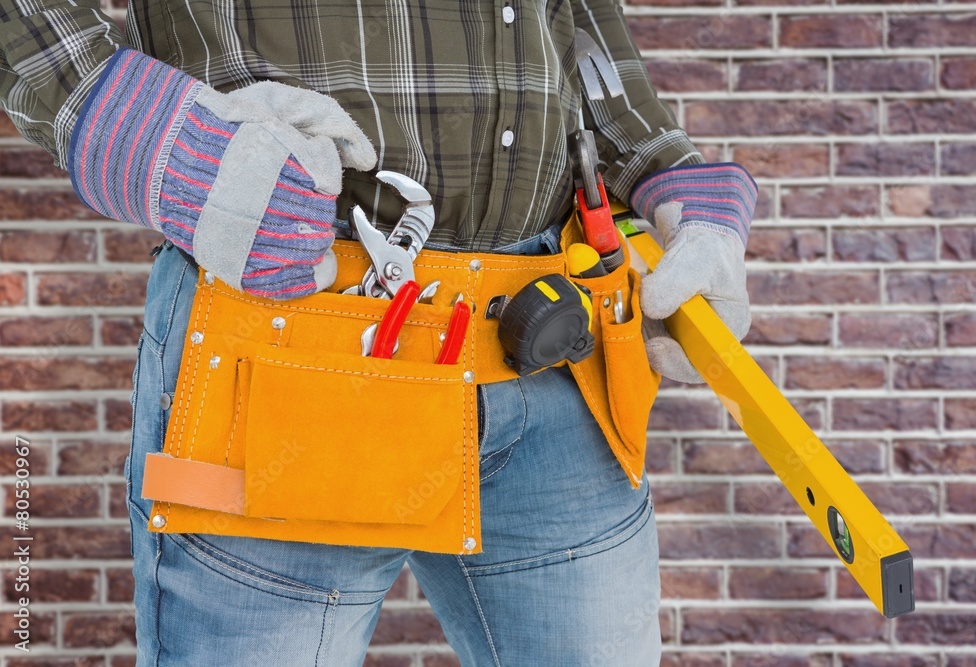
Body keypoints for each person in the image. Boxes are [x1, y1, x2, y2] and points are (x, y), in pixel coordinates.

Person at [0, 1, 756, 664]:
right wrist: (150, 136)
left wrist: (664, 168)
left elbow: (577, 21)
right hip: (287, 342)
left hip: (552, 347)